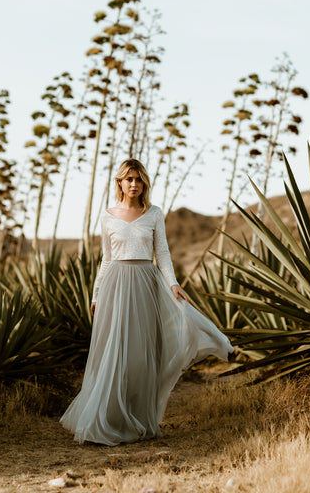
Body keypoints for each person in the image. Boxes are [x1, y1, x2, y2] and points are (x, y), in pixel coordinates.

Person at [59, 158, 234, 446]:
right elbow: (106, 258)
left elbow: (162, 254)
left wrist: (173, 284)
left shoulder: (153, 214)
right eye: (129, 179)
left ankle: (139, 418)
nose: (134, 184)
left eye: (139, 179)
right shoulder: (107, 216)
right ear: (120, 182)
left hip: (145, 284)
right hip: (116, 284)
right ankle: (109, 419)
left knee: (141, 355)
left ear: (144, 184)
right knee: (114, 354)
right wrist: (96, 293)